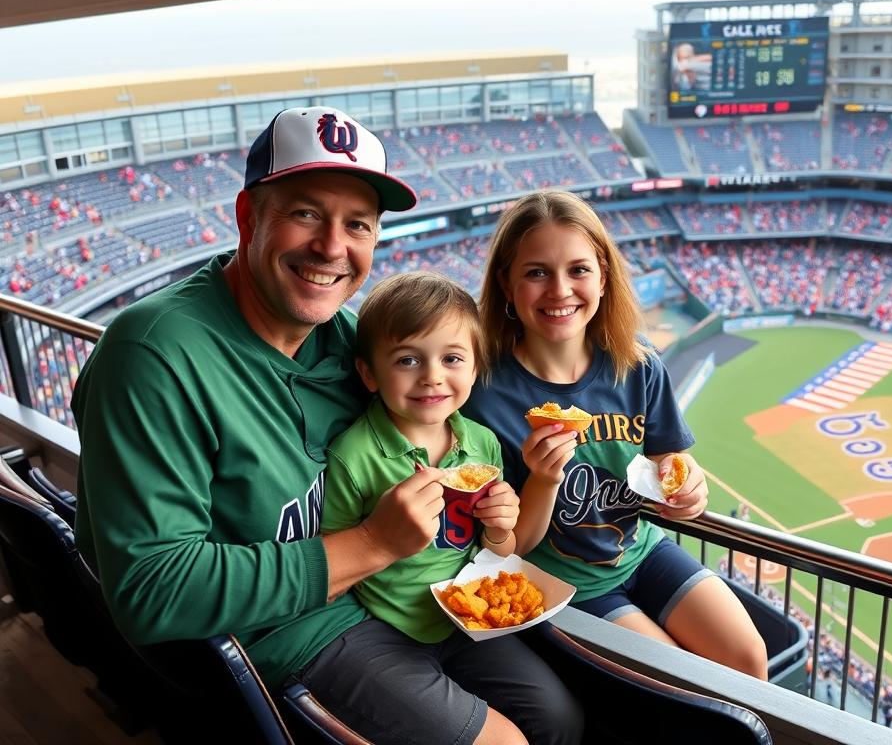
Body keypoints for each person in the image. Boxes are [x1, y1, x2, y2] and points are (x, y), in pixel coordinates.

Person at [72, 107, 582, 744]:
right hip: (277, 636)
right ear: (248, 217)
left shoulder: (347, 338)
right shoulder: (153, 354)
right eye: (306, 213)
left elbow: (443, 402)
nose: (332, 248)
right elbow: (153, 590)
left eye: (358, 225)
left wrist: (532, 475)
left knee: (558, 719)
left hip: (387, 599)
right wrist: (372, 544)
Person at [463, 190, 768, 679]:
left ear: (604, 277)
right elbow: (507, 546)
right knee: (684, 678)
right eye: (536, 272)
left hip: (642, 549)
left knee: (748, 658)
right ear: (506, 283)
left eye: (578, 270)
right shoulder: (481, 392)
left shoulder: (638, 361)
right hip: (567, 583)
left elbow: (670, 460)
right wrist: (542, 477)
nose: (560, 289)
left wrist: (689, 487)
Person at [319, 272, 576, 743]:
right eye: (408, 359)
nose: (432, 375)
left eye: (452, 358)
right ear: (370, 373)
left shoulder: (483, 443)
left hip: (467, 626)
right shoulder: (353, 456)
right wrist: (381, 533)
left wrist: (500, 528)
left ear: (475, 368)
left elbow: (497, 551)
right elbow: (330, 561)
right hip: (387, 627)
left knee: (559, 718)